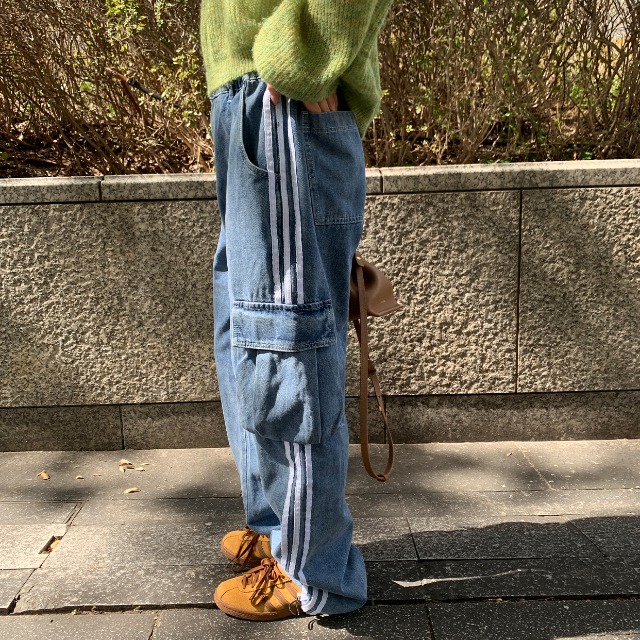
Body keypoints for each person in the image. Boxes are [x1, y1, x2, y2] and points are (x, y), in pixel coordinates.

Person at [200, 0, 393, 621]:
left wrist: (301, 57)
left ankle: (314, 570)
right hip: (248, 98)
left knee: (287, 341)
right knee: (245, 330)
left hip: (283, 96)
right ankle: (276, 526)